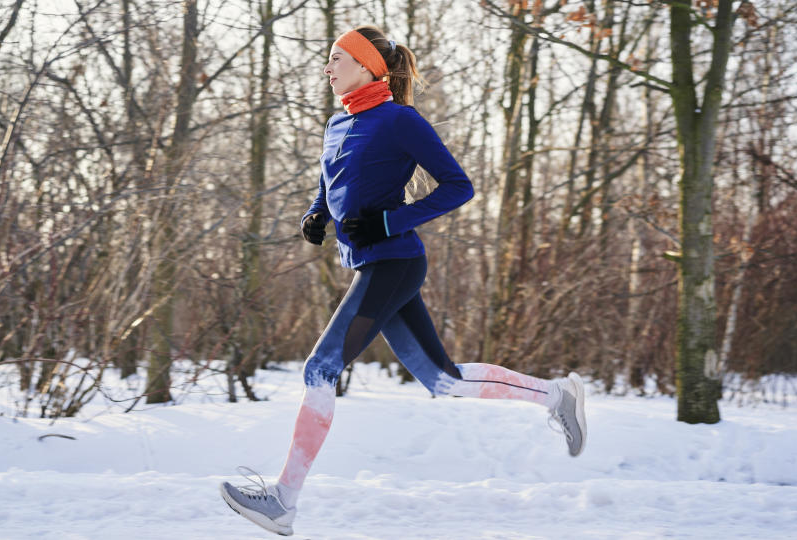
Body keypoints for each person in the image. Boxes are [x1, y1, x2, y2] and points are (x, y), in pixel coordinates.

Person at [219, 25, 587, 536]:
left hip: (395, 260)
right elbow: (332, 181)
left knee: (320, 368)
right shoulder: (336, 122)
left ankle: (283, 500)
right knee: (444, 380)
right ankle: (556, 396)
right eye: (328, 61)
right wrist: (315, 214)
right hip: (373, 265)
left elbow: (460, 187)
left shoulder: (399, 120)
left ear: (369, 66)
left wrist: (391, 221)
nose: (327, 69)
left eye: (336, 59)